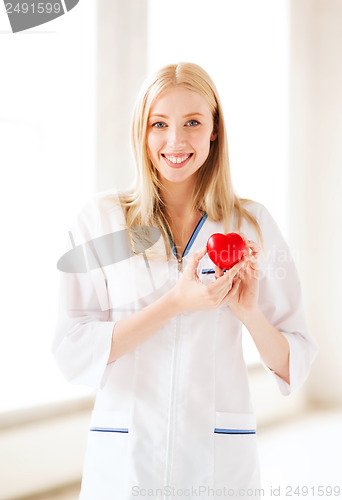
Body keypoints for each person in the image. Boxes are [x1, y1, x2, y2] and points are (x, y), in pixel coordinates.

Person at [53, 62, 319, 500]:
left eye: (192, 122)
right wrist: (175, 302)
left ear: (215, 130)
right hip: (125, 457)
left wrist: (248, 312)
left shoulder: (251, 225)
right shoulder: (101, 221)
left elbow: (295, 362)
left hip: (215, 461)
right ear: (143, 130)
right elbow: (71, 347)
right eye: (160, 123)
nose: (175, 141)